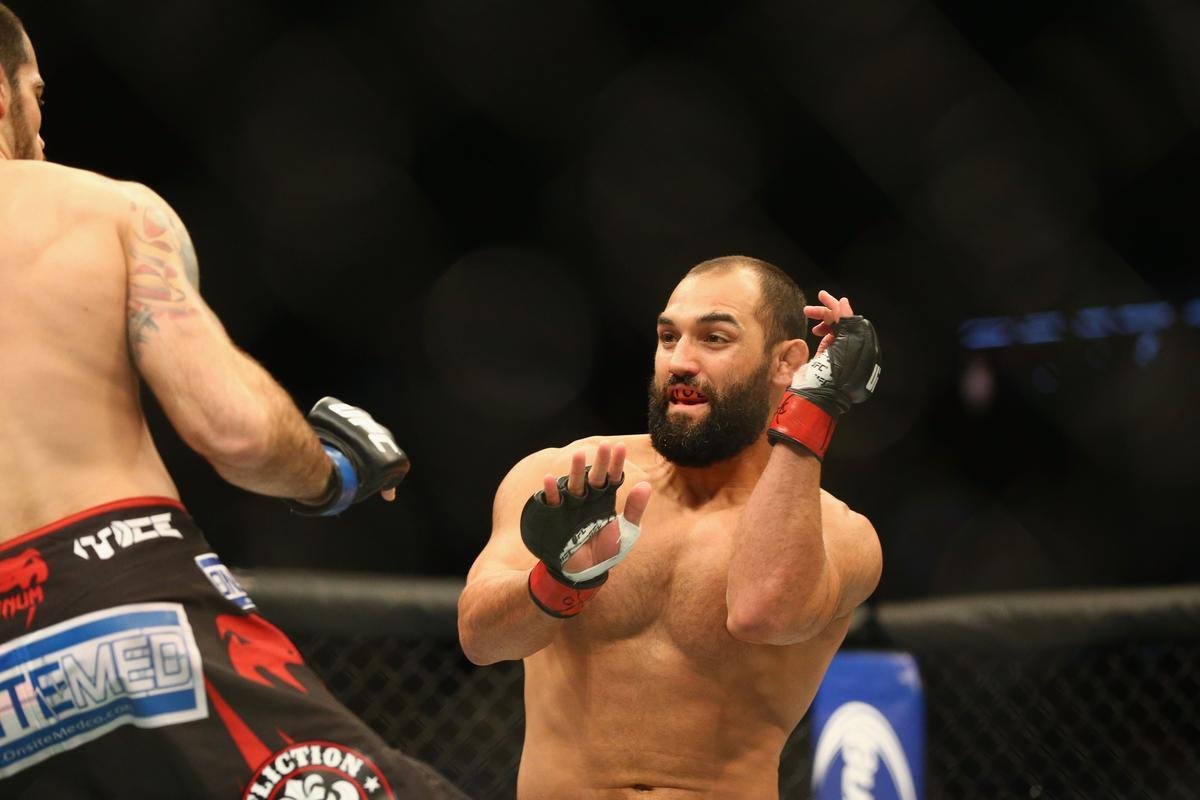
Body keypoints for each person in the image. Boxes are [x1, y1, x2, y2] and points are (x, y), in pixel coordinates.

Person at [0, 7, 467, 798]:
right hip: (117, 603)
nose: (43, 131)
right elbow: (235, 429)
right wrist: (331, 473)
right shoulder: (98, 209)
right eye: (36, 94)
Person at [459, 255, 883, 798]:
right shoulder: (571, 477)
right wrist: (558, 582)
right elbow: (480, 639)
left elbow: (764, 614)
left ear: (787, 362)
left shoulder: (838, 532)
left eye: (714, 339)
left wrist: (815, 407)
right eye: (667, 337)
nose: (680, 361)